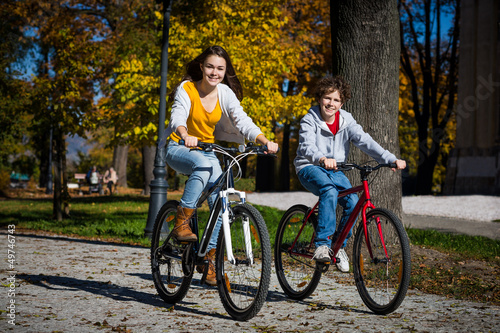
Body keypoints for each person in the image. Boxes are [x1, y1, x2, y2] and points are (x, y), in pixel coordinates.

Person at [162, 45, 279, 285]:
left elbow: (241, 119)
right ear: (202, 67)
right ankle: (181, 221)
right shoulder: (187, 89)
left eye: (220, 68)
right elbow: (177, 117)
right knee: (204, 168)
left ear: (225, 71)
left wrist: (264, 140)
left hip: (207, 150)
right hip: (178, 147)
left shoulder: (224, 92)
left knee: (221, 202)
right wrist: (185, 134)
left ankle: (210, 260)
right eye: (210, 67)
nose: (214, 72)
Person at [294, 76, 406, 272]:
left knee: (353, 202)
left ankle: (337, 247)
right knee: (328, 191)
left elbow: (365, 141)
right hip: (310, 166)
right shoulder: (309, 120)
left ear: (342, 102)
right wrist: (321, 159)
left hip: (334, 168)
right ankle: (322, 245)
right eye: (328, 98)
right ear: (320, 98)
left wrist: (389, 158)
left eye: (336, 100)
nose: (331, 104)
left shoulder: (347, 121)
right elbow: (307, 147)